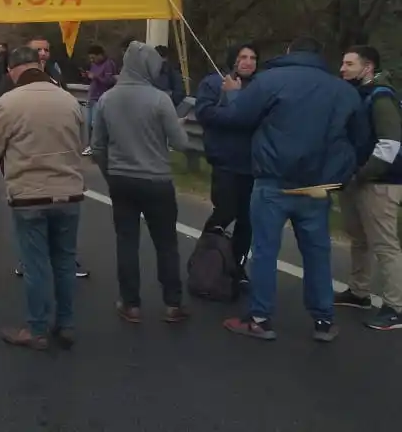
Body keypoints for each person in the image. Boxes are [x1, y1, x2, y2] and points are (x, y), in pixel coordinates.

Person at [195, 37, 369, 343]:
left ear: (289, 52)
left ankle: (260, 318)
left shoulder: (269, 81)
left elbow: (238, 119)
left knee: (264, 251)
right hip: (317, 187)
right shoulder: (343, 90)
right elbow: (361, 141)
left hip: (273, 181)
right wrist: (340, 172)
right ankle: (324, 320)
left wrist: (235, 97)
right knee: (317, 254)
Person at [0, 46, 86, 351]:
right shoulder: (68, 99)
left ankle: (36, 329)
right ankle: (66, 325)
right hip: (69, 193)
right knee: (65, 261)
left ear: (13, 70)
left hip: (30, 195)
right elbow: (83, 143)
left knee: (36, 263)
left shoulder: (9, 102)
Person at [91, 41, 191, 324]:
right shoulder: (160, 100)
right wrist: (178, 127)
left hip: (122, 179)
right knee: (166, 243)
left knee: (126, 242)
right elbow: (181, 143)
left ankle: (130, 303)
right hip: (156, 179)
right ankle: (173, 303)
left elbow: (97, 146)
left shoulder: (107, 99)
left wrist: (110, 173)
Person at [336, 45, 402, 331]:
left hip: (380, 183)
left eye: (349, 64)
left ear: (368, 68)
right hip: (359, 180)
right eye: (343, 63)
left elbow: (390, 144)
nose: (342, 68)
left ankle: (396, 307)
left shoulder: (381, 97)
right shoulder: (359, 95)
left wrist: (363, 175)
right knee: (359, 238)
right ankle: (359, 292)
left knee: (385, 245)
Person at [195, 44, 260, 280]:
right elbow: (205, 114)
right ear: (233, 60)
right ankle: (205, 257)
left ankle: (237, 267)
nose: (248, 62)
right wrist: (235, 111)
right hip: (225, 163)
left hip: (252, 165)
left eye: (253, 57)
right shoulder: (214, 83)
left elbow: (259, 119)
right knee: (224, 213)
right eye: (243, 57)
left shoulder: (262, 87)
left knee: (248, 220)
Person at [82, 44, 117, 156]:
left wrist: (96, 77)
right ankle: (90, 145)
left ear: (100, 55)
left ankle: (96, 146)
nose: (92, 60)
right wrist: (87, 76)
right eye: (90, 58)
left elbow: (110, 81)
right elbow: (93, 80)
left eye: (94, 58)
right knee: (88, 123)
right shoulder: (93, 65)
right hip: (92, 96)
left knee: (96, 124)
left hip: (101, 98)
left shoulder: (109, 65)